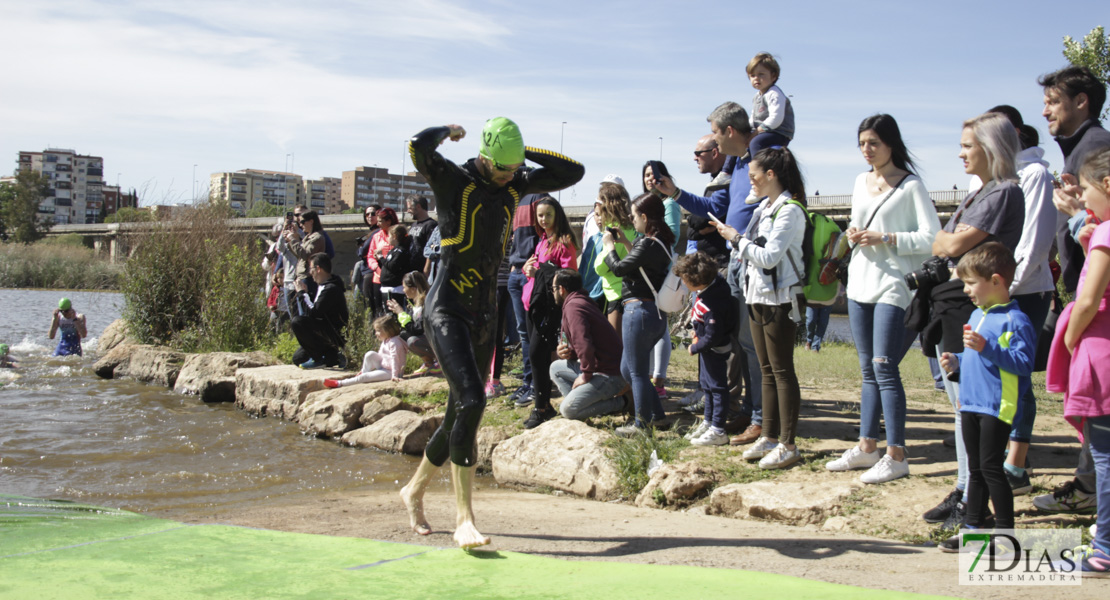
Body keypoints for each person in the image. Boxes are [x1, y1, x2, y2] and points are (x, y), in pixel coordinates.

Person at [398, 118, 583, 550]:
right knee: (473, 398)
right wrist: (446, 130)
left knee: (459, 414)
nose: (508, 177)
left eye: (511, 169)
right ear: (484, 156)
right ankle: (465, 519)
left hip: (484, 313)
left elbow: (571, 173)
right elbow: (417, 147)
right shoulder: (454, 181)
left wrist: (521, 155)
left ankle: (414, 490)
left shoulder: (515, 184)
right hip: (445, 309)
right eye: (502, 168)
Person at [922, 113, 1025, 528]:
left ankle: (974, 503)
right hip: (957, 300)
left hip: (972, 306)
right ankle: (967, 491)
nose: (960, 152)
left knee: (967, 404)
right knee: (959, 405)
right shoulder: (980, 193)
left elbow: (952, 242)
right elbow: (941, 243)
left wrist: (954, 241)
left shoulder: (1003, 193)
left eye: (968, 145)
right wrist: (952, 242)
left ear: (991, 148)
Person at [826, 114, 941, 484]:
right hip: (859, 283)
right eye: (861, 143)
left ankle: (897, 453)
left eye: (873, 142)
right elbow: (856, 225)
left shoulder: (911, 187)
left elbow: (932, 238)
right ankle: (867, 447)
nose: (866, 150)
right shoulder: (860, 181)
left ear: (891, 143)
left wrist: (887, 238)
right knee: (867, 370)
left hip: (893, 284)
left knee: (885, 367)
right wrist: (856, 233)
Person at [653, 102, 762, 445]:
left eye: (715, 132)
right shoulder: (739, 167)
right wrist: (677, 193)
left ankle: (760, 418)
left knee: (752, 348)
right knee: (743, 344)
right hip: (737, 262)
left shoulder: (758, 158)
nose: (711, 143)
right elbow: (715, 211)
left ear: (728, 133)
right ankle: (746, 412)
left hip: (753, 263)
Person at [1033, 65, 1110, 516]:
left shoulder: (1096, 147)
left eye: (1053, 102)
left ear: (1082, 102)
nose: (1045, 111)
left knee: (1095, 403)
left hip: (1095, 302)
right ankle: (1088, 485)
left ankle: (1090, 493)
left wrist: (1079, 213)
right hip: (1087, 291)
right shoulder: (1081, 147)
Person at [969, 106, 1057, 496]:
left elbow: (1034, 242)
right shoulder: (997, 178)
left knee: (1018, 379)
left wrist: (1005, 286)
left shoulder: (1034, 174)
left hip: (1022, 289)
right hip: (996, 289)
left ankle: (1016, 466)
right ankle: (997, 451)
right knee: (991, 371)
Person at [937, 242, 1035, 552]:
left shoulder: (1015, 321)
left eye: (970, 283)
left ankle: (1006, 535)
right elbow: (974, 357)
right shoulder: (979, 314)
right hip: (971, 404)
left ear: (996, 281)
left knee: (993, 470)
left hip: (997, 406)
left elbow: (1023, 364)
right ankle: (972, 529)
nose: (966, 290)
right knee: (976, 470)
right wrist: (957, 362)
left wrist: (987, 348)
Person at [714, 147, 807, 469]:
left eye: (753, 177)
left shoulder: (790, 211)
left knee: (782, 371)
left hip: (781, 300)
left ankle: (788, 443)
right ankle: (768, 435)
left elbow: (769, 257)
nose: (749, 182)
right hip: (756, 296)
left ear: (771, 176)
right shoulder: (763, 208)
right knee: (766, 371)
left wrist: (735, 238)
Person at [1046, 147, 1110, 574]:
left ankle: (1104, 546)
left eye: (1087, 189)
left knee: (1104, 456)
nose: (1083, 199)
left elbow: (1087, 299)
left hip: (1100, 354)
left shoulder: (1107, 236)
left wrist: (1069, 336)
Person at [603, 193, 675, 436]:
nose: (632, 221)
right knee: (629, 370)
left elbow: (620, 268)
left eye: (634, 216)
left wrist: (609, 247)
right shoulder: (661, 244)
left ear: (644, 216)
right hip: (654, 314)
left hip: (638, 311)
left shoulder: (648, 243)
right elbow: (642, 265)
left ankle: (641, 426)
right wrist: (624, 243)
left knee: (636, 372)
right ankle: (659, 417)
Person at [519, 196, 579, 428]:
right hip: (532, 304)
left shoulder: (564, 242)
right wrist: (527, 269)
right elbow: (535, 273)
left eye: (548, 215)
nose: (544, 220)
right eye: (540, 215)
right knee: (536, 354)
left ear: (558, 215)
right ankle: (544, 405)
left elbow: (569, 275)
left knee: (537, 353)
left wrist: (540, 270)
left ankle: (541, 406)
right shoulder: (542, 241)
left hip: (549, 307)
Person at [550, 269, 628, 421]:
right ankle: (584, 408)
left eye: (553, 289)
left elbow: (584, 344)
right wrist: (564, 352)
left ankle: (621, 402)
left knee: (567, 410)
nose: (552, 293)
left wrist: (585, 375)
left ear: (561, 289)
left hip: (610, 375)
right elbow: (574, 345)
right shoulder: (578, 302)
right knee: (555, 368)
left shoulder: (574, 307)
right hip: (600, 368)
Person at [675, 252, 734, 447]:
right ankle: (708, 422)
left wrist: (695, 347)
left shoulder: (713, 302)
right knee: (706, 387)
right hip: (707, 349)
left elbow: (714, 335)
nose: (683, 284)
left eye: (685, 281)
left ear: (697, 281)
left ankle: (718, 429)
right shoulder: (708, 290)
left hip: (714, 350)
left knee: (717, 388)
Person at [643, 161, 682, 400]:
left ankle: (658, 380)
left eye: (654, 175)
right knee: (648, 327)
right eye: (646, 175)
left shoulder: (670, 204)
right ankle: (649, 377)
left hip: (659, 272)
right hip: (644, 272)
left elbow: (673, 236)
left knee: (659, 327)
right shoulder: (645, 204)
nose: (650, 179)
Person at [591, 182, 637, 335]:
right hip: (629, 292)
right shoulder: (631, 227)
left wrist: (601, 256)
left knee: (615, 347)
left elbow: (601, 267)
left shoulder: (613, 230)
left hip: (617, 294)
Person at [290, 253, 349, 369]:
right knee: (298, 358)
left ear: (318, 269)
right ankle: (330, 357)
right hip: (324, 331)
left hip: (333, 335)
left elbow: (313, 313)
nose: (309, 273)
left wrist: (302, 294)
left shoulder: (331, 288)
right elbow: (316, 309)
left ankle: (320, 359)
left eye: (311, 269)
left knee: (297, 321)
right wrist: (306, 294)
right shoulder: (323, 286)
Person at [324, 316, 406, 387]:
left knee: (365, 377)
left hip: (391, 372)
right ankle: (363, 372)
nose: (376, 333)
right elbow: (381, 355)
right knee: (370, 354)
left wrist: (395, 375)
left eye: (378, 331)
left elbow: (395, 359)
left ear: (388, 330)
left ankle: (339, 383)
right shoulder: (386, 340)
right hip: (384, 367)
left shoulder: (394, 342)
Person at [387, 271, 440, 376]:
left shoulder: (426, 304)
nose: (403, 290)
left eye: (404, 287)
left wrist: (401, 313)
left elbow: (418, 329)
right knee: (403, 335)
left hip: (438, 340)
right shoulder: (413, 305)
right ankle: (428, 363)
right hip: (429, 339)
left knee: (412, 341)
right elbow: (409, 328)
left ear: (413, 289)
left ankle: (440, 362)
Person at [746, 52, 795, 160]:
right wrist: (746, 129)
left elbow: (776, 118)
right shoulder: (757, 96)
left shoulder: (774, 94)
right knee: (738, 138)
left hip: (778, 132)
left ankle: (758, 167)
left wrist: (757, 132)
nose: (756, 78)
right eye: (752, 75)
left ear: (773, 76)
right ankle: (727, 171)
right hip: (763, 130)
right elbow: (754, 117)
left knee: (756, 142)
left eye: (761, 74)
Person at [285, 210, 327, 311]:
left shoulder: (317, 237)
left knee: (305, 310)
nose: (301, 225)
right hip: (301, 276)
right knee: (297, 310)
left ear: (311, 221)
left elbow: (305, 254)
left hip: (309, 278)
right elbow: (299, 254)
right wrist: (292, 239)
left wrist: (293, 240)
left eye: (303, 222)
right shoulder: (308, 237)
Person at [366, 208, 399, 317]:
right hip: (378, 277)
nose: (378, 224)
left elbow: (399, 252)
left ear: (388, 221)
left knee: (391, 310)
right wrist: (375, 267)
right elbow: (370, 255)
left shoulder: (398, 235)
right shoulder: (376, 236)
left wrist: (382, 252)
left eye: (380, 221)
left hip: (393, 279)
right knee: (378, 309)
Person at [405, 195, 439, 263]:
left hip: (422, 268)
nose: (408, 211)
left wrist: (427, 269)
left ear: (418, 206)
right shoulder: (414, 224)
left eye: (410, 208)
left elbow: (432, 249)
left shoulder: (431, 225)